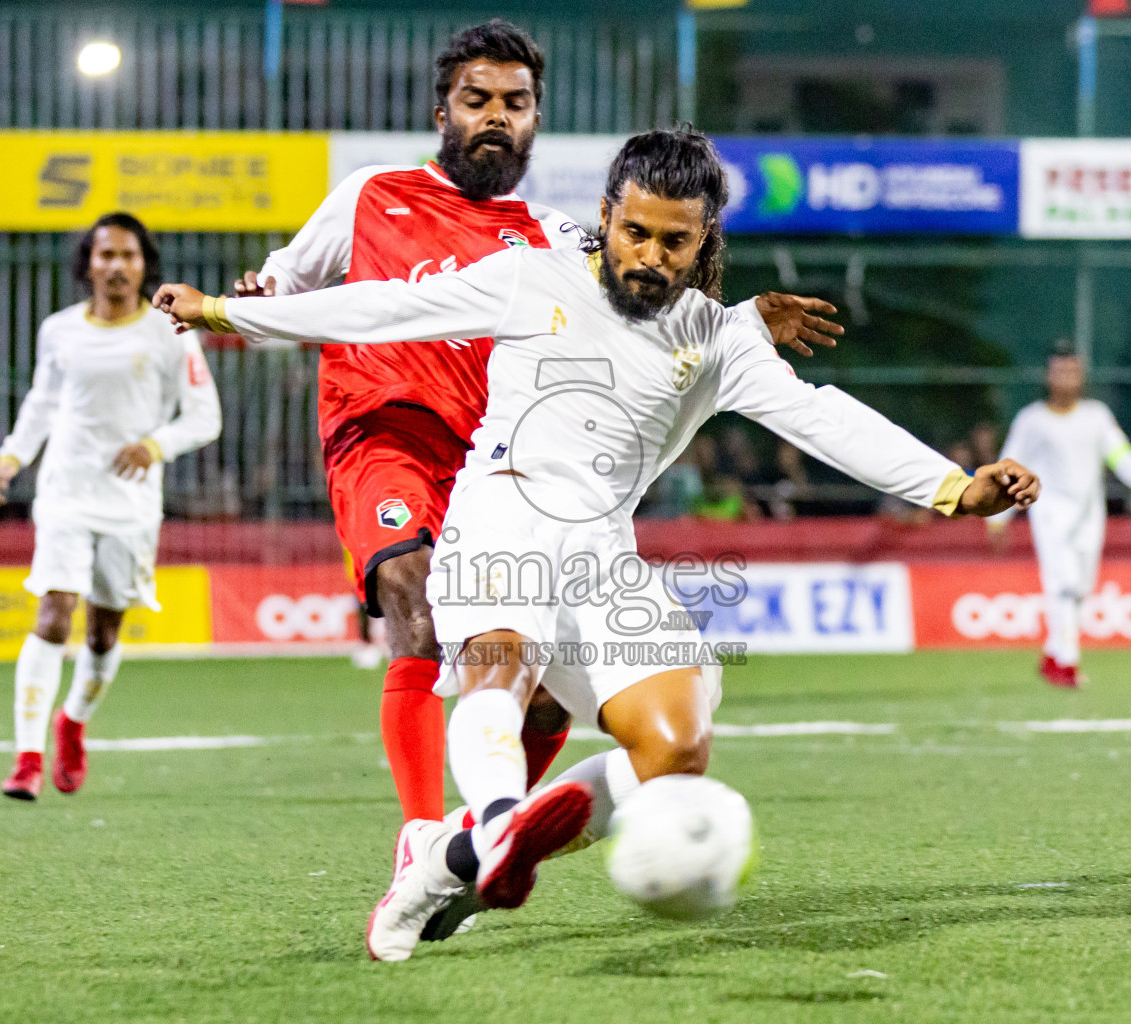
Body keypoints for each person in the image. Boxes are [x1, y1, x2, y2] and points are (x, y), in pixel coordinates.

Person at [154, 126, 1039, 961]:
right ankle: (502, 825)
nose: (649, 256)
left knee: (677, 753)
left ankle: (457, 857)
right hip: (499, 516)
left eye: (674, 242)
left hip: (603, 554)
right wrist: (225, 313)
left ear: (705, 244)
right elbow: (385, 307)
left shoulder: (722, 337)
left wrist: (952, 487)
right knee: (502, 662)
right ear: (607, 214)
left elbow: (820, 415)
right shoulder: (529, 277)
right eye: (635, 232)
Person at [231, 22, 844, 836]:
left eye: (515, 103)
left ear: (535, 116)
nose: (496, 116)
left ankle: (486, 830)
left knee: (549, 682)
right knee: (413, 607)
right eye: (476, 99)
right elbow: (292, 278)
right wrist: (255, 294)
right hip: (387, 432)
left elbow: (652, 286)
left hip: (500, 461)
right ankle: (422, 842)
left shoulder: (552, 235)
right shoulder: (370, 195)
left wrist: (745, 318)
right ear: (441, 109)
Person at [0, 212, 222, 800]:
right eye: (105, 254)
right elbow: (42, 401)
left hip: (131, 505)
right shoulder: (60, 330)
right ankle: (27, 758)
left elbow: (204, 417)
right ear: (88, 263)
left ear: (145, 265)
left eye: (128, 256)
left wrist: (154, 445)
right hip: (65, 491)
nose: (116, 265)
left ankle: (73, 722)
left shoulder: (171, 331)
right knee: (53, 614)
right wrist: (10, 459)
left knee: (103, 632)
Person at [988, 344, 1131, 688]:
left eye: (1073, 371)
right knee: (1062, 585)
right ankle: (1067, 663)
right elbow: (1009, 465)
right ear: (1049, 376)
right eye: (1060, 371)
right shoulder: (1032, 420)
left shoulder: (1096, 415)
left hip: (1089, 514)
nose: (1067, 377)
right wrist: (996, 518)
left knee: (1081, 587)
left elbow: (1118, 451)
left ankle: (1053, 653)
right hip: (1049, 513)